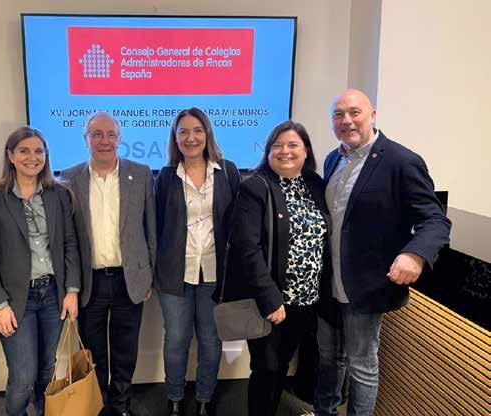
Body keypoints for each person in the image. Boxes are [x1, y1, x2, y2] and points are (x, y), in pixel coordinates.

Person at [309, 89, 451, 416]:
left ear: (372, 115)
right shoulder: (332, 159)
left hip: (365, 285)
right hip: (329, 284)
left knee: (362, 365)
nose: (346, 121)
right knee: (329, 358)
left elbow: (435, 220)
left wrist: (415, 254)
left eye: (354, 112)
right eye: (338, 115)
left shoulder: (401, 161)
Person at [219, 120, 330, 416]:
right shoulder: (256, 187)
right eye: (277, 146)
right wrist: (270, 299)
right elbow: (247, 246)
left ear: (306, 151)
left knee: (281, 365)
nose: (285, 151)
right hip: (269, 301)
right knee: (266, 367)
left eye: (293, 145)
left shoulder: (316, 185)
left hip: (307, 300)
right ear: (267, 152)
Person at [0, 127, 81, 416]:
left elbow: (70, 244)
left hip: (53, 295)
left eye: (38, 151)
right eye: (24, 151)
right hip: (14, 299)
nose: (32, 157)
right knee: (23, 377)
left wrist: (72, 291)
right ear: (10, 156)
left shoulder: (59, 194)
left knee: (46, 370)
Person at [60, 111, 156, 416]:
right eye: (97, 134)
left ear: (119, 138)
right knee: (93, 351)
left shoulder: (141, 174)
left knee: (125, 350)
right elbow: (68, 239)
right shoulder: (69, 178)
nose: (104, 141)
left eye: (110, 134)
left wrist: (149, 275)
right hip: (91, 281)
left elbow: (151, 229)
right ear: (86, 139)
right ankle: (99, 405)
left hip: (130, 279)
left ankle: (121, 405)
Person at [155, 107, 240, 416]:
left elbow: (238, 223)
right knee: (176, 340)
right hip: (174, 275)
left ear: (207, 134)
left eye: (197, 130)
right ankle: (175, 398)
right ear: (175, 138)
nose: (191, 138)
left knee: (210, 340)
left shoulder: (227, 171)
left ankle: (205, 398)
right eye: (183, 132)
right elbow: (157, 227)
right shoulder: (166, 176)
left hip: (216, 274)